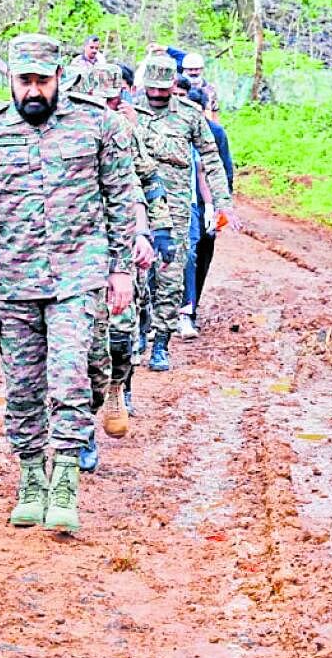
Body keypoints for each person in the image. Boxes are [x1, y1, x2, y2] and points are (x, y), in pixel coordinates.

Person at [0, 34, 137, 532]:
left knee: (73, 375)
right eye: (24, 81)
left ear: (60, 77)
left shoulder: (98, 124)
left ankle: (65, 482)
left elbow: (121, 199)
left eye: (42, 80)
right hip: (13, 280)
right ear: (10, 80)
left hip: (79, 273)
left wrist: (121, 267)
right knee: (23, 387)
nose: (33, 91)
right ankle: (31, 476)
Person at [78, 63, 174, 472]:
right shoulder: (67, 135)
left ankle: (117, 385)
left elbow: (149, 180)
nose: (109, 107)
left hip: (122, 248)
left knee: (119, 336)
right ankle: (79, 430)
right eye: (102, 100)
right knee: (74, 344)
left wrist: (159, 229)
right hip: (75, 252)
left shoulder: (124, 132)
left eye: (116, 100)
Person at [139, 54, 238, 373]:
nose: (155, 96)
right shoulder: (128, 112)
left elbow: (211, 159)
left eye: (162, 90)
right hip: (135, 203)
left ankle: (160, 344)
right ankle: (138, 332)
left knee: (170, 273)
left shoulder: (189, 117)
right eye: (151, 89)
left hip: (176, 206)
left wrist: (222, 202)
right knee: (136, 273)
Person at [180, 86, 234, 339]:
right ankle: (182, 310)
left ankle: (193, 304)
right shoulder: (172, 130)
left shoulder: (215, 133)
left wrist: (220, 207)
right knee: (184, 254)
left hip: (205, 202)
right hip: (181, 203)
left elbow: (222, 170)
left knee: (202, 252)